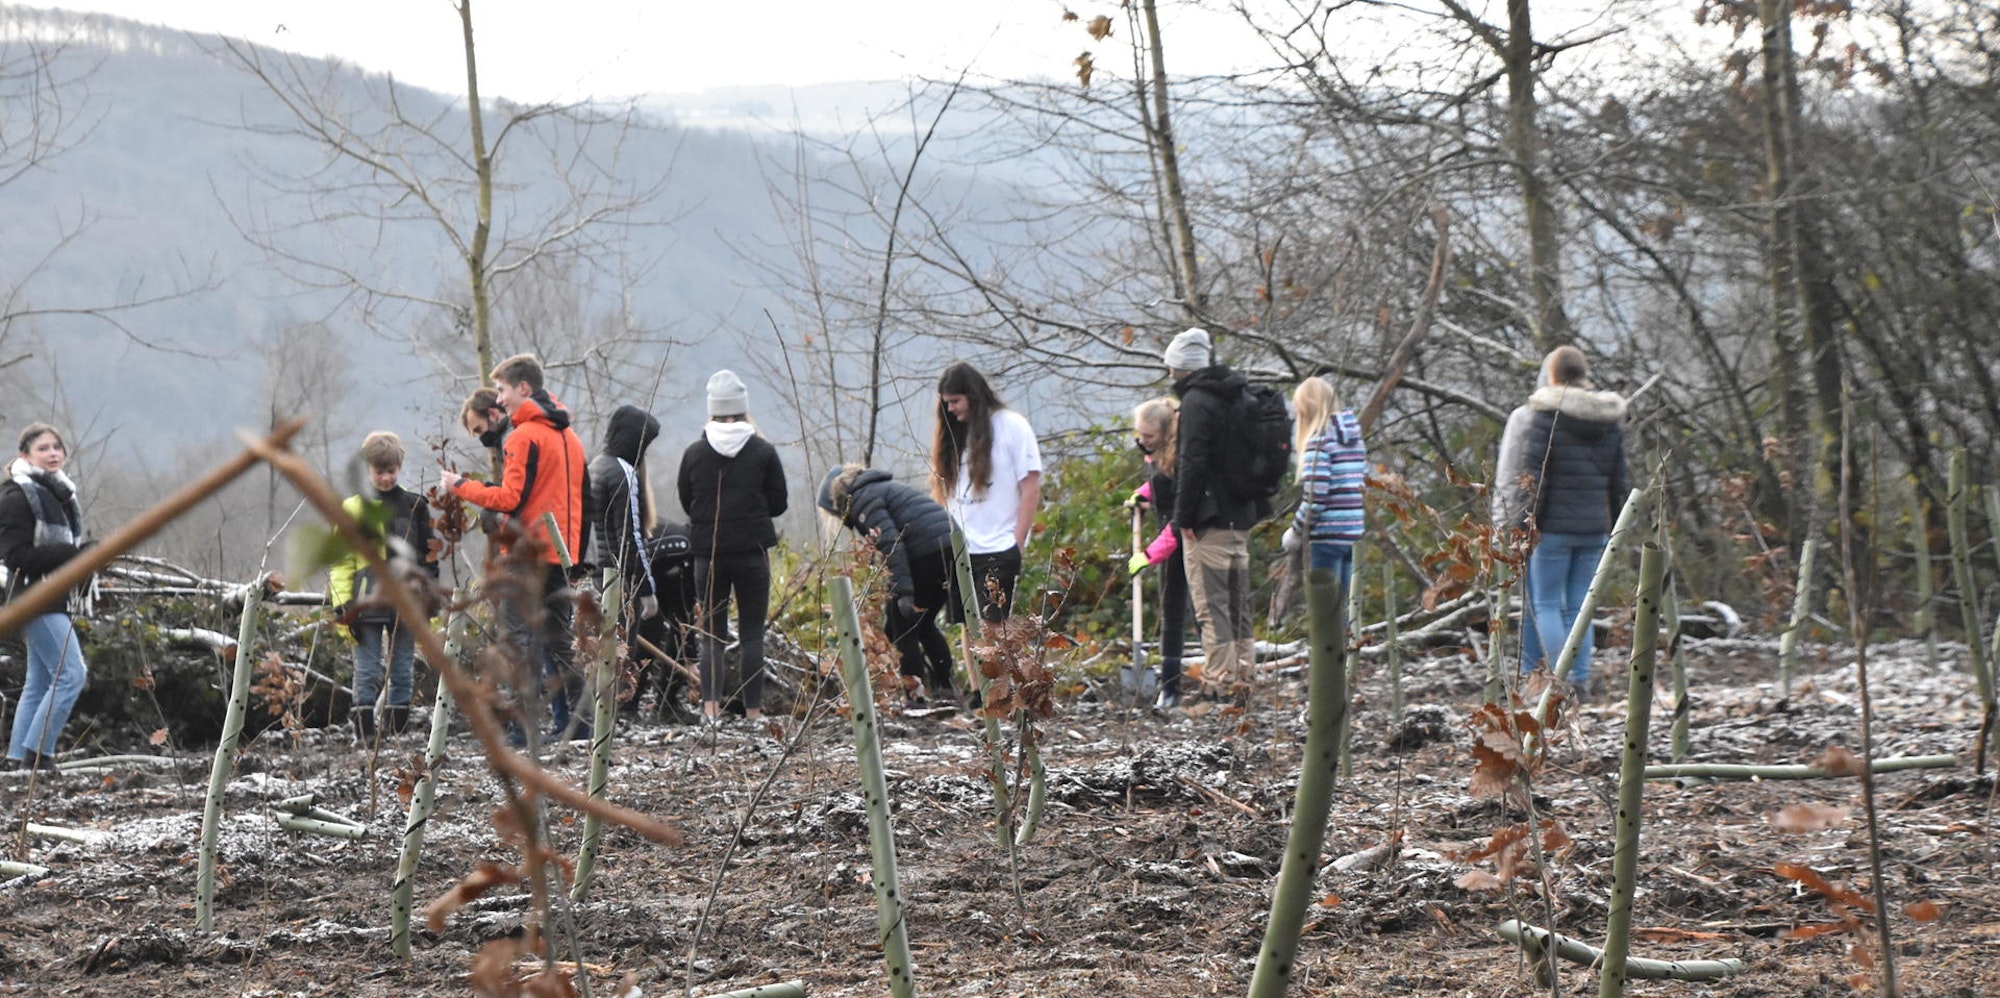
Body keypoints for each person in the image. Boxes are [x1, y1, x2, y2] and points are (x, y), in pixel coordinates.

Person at [441, 354, 590, 740]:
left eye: (504, 390)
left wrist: (460, 486)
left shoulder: (524, 436)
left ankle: (522, 729)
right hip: (561, 552)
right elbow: (580, 499)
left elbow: (510, 498)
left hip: (526, 555)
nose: (501, 399)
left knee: (515, 640)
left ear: (523, 388)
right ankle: (577, 724)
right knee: (559, 641)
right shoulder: (569, 437)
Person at [1492, 345, 1629, 689]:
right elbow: (1619, 481)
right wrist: (1614, 527)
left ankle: (1555, 680)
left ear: (1552, 375)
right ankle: (1579, 678)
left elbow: (1531, 479)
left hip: (1552, 529)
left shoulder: (1543, 416)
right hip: (1595, 528)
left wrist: (1522, 524)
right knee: (1580, 609)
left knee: (1546, 604)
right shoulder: (1609, 420)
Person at [1164, 328, 1270, 699]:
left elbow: (1191, 463)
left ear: (1179, 367)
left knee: (1213, 607)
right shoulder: (1234, 395)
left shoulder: (1196, 402)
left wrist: (1184, 519)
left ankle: (1221, 684)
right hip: (1239, 517)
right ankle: (1244, 676)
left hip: (1209, 521)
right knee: (1239, 605)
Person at [678, 370, 787, 723]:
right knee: (754, 633)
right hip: (753, 552)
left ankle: (710, 710)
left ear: (711, 411)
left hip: (707, 555)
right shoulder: (763, 451)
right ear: (743, 411)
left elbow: (686, 500)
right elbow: (779, 502)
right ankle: (753, 712)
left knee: (712, 634)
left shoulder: (694, 453)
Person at [328, 431, 440, 742]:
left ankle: (396, 734)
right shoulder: (353, 509)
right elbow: (340, 561)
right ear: (368, 470)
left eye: (392, 471)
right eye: (380, 472)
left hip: (408, 600)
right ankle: (364, 736)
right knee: (366, 669)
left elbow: (429, 557)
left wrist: (430, 596)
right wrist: (342, 604)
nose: (387, 477)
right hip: (365, 603)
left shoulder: (416, 506)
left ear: (400, 468)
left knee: (403, 667)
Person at [819, 464, 958, 705]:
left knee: (902, 625)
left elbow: (891, 543)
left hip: (925, 552)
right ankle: (947, 689)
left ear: (838, 501)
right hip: (951, 549)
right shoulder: (881, 488)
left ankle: (916, 698)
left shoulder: (862, 499)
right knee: (923, 623)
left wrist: (904, 591)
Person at [1, 423, 92, 772]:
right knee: (72, 674)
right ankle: (38, 758)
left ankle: (15, 763)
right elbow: (16, 557)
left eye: (57, 447)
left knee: (39, 680)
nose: (53, 453)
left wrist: (77, 555)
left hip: (52, 594)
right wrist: (75, 554)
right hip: (33, 596)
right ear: (25, 455)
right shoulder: (17, 495)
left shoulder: (58, 494)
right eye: (43, 448)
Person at [930, 362, 1042, 622]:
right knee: (969, 628)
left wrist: (1018, 541)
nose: (951, 409)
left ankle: (996, 666)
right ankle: (973, 667)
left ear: (973, 396)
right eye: (946, 403)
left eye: (956, 401)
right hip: (961, 547)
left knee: (991, 628)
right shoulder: (953, 433)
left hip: (999, 546)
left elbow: (1030, 486)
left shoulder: (1012, 426)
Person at [584, 404, 665, 719]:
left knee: (604, 646)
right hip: (618, 578)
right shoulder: (623, 473)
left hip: (597, 573)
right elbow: (630, 537)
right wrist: (646, 588)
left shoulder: (597, 465)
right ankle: (619, 709)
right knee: (622, 647)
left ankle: (602, 708)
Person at [1124, 398, 1193, 709]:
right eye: (1139, 435)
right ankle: (1169, 684)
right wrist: (1143, 493)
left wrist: (1149, 555)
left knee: (1187, 613)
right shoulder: (1156, 455)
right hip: (1170, 538)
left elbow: (1179, 519)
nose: (1142, 441)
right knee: (1171, 612)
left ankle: (1178, 687)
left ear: (1166, 433)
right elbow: (1159, 483)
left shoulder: (1183, 460)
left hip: (1188, 541)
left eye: (1148, 436)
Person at [1283, 377, 1367, 588]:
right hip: (1353, 533)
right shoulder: (1355, 441)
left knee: (1326, 610)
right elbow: (1363, 485)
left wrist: (1296, 530)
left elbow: (1316, 498)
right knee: (1348, 608)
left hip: (1327, 537)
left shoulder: (1318, 443)